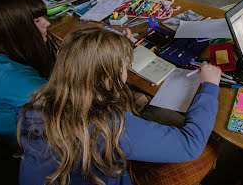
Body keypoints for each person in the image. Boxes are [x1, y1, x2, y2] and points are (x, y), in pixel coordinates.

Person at [18, 26, 222, 185]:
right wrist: (210, 86)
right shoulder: (110, 126)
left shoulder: (38, 103)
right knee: (208, 150)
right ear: (107, 79)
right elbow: (191, 146)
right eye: (125, 65)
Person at [0, 0, 57, 143]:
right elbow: (68, 105)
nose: (47, 23)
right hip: (31, 142)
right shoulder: (9, 77)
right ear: (12, 29)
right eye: (36, 20)